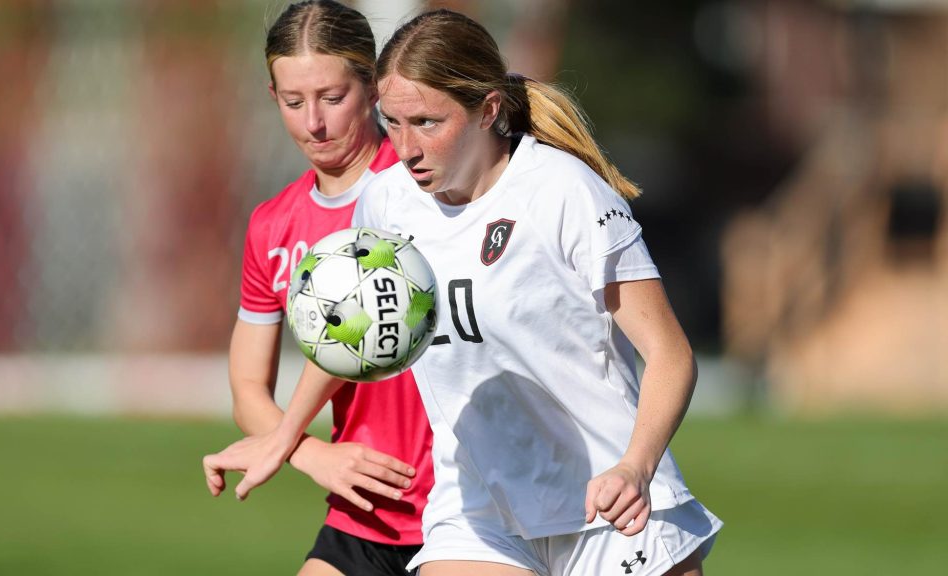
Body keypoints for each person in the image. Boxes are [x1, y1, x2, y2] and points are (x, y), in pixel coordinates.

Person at [205, 8, 722, 576]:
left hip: (606, 500)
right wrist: (286, 437)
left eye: (427, 122)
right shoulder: (387, 202)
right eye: (393, 122)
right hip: (480, 509)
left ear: (488, 112)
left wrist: (636, 466)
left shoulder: (564, 193)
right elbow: (360, 335)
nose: (405, 147)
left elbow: (671, 354)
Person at [203, 2, 434, 575]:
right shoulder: (272, 225)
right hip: (364, 513)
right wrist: (313, 454)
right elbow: (248, 389)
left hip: (466, 507)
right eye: (293, 101)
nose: (314, 123)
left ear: (373, 88)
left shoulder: (424, 190)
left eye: (333, 98)